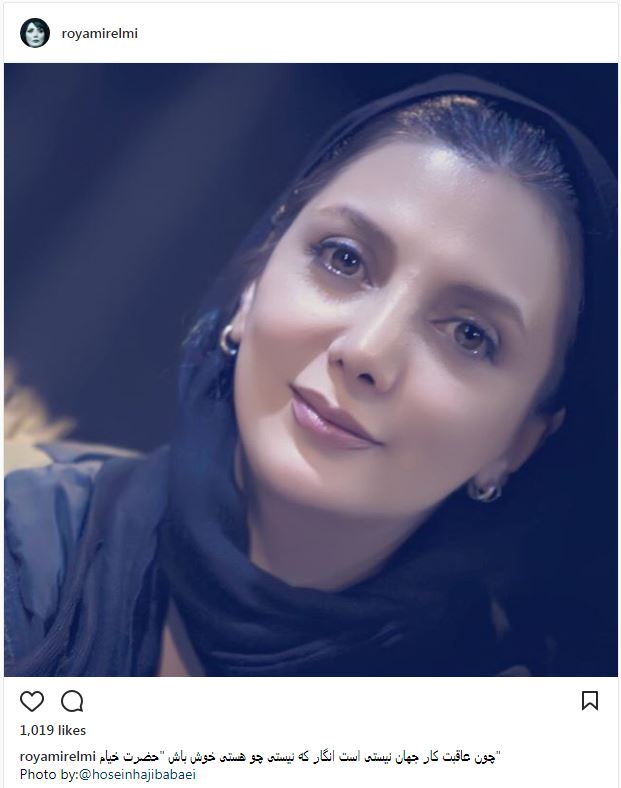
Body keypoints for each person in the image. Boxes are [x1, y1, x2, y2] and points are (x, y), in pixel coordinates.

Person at [4, 73, 616, 677]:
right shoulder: (28, 546)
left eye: (469, 335)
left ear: (519, 442)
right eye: (344, 259)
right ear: (253, 284)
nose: (367, 351)